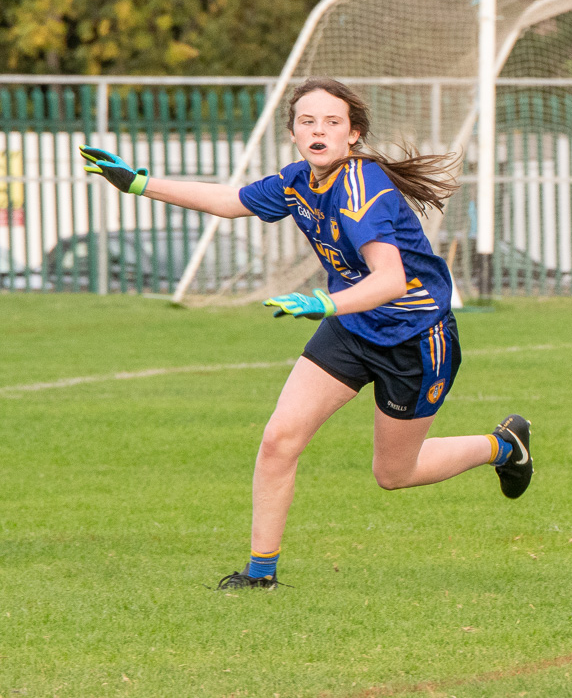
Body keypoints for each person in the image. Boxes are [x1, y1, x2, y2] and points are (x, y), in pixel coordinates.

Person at [79, 77, 533, 589]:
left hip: (415, 337)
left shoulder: (364, 188)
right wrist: (139, 184)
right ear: (294, 133)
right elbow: (231, 201)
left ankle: (503, 446)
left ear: (353, 135)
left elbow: (390, 279)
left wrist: (324, 302)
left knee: (394, 474)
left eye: (332, 122)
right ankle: (259, 576)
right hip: (351, 327)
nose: (319, 130)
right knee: (278, 440)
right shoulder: (299, 181)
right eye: (307, 121)